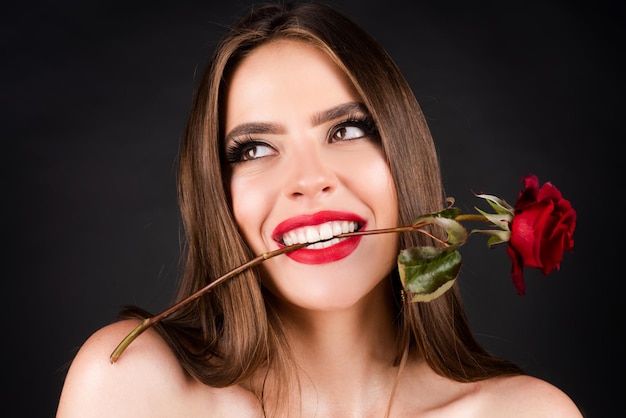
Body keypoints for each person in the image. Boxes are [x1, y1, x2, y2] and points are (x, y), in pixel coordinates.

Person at [56, 2, 583, 417]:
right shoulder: (131, 386)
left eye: (347, 130)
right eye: (255, 149)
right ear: (219, 194)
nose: (310, 181)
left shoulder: (529, 412)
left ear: (405, 156)